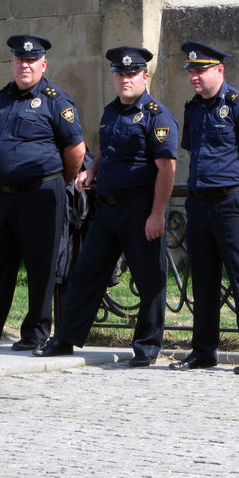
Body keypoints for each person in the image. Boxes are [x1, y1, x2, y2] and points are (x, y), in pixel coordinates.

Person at [35, 46, 178, 367]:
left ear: (145, 76)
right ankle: (66, 338)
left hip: (142, 208)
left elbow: (167, 168)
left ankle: (146, 346)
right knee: (86, 273)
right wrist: (91, 170)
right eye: (119, 74)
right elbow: (106, 149)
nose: (124, 79)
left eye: (131, 74)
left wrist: (157, 213)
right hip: (108, 208)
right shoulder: (111, 111)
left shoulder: (157, 115)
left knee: (149, 279)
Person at [0, 35, 86, 352]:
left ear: (43, 64)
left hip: (40, 194)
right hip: (1, 196)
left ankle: (35, 333)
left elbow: (75, 149)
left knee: (40, 266)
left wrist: (59, 180)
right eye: (20, 60)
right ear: (12, 62)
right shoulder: (3, 97)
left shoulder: (55, 101)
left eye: (32, 60)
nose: (25, 65)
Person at [169, 40, 239, 375]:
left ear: (219, 70)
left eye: (201, 70)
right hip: (200, 204)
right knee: (203, 279)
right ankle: (203, 350)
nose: (195, 77)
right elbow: (191, 153)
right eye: (191, 72)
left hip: (232, 201)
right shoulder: (193, 108)